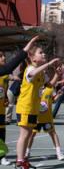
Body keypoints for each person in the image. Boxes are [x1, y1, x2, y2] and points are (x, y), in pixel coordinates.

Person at [15, 43, 60, 169]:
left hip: (34, 109)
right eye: (40, 52)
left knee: (29, 134)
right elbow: (32, 73)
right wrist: (49, 64)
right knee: (24, 134)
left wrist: (57, 75)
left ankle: (23, 159)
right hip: (25, 107)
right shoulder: (30, 69)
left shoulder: (42, 73)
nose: (44, 54)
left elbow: (49, 85)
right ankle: (19, 161)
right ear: (32, 57)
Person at [1, 37, 39, 166]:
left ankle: (3, 156)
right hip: (24, 106)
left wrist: (27, 48)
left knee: (2, 133)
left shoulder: (4, 72)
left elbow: (9, 67)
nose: (4, 58)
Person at [26, 66, 64, 160]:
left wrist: (59, 95)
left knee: (53, 134)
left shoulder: (50, 89)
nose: (44, 75)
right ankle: (27, 152)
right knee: (31, 134)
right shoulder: (35, 88)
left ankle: (59, 152)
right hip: (36, 117)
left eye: (45, 74)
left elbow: (53, 99)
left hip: (47, 117)